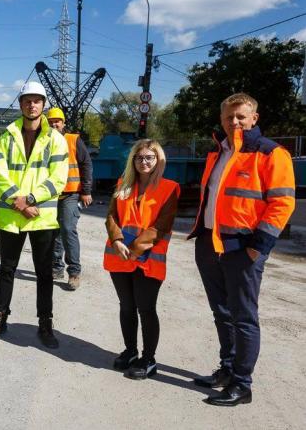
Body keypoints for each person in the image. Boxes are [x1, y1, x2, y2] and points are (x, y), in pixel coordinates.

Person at [188, 93, 295, 406]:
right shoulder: (217, 152)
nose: (234, 122)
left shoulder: (271, 153)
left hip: (242, 248)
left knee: (244, 317)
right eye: (228, 117)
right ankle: (227, 369)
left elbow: (282, 203)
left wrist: (258, 248)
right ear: (221, 120)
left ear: (254, 118)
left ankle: (242, 384)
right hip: (210, 243)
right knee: (221, 312)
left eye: (240, 116)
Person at [0, 81, 69, 348]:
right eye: (27, 100)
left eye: (37, 101)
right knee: (6, 270)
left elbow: (58, 178)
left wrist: (30, 199)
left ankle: (45, 323)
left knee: (44, 273)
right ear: (21, 104)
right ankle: (0, 318)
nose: (32, 105)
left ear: (43, 105)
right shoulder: (7, 137)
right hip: (13, 216)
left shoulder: (56, 139)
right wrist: (19, 203)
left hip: (40, 217)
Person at [103, 139, 179, 380]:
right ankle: (130, 351)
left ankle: (148, 358)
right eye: (139, 157)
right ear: (132, 160)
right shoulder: (123, 185)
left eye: (149, 157)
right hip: (120, 256)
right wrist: (116, 240)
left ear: (158, 160)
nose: (143, 162)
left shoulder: (169, 188)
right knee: (126, 307)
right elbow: (112, 216)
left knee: (146, 308)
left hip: (147, 259)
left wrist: (136, 249)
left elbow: (162, 225)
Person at [46, 107, 93, 290]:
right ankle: (56, 268)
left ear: (63, 122)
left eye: (57, 121)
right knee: (54, 232)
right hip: (51, 195)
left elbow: (86, 164)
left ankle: (74, 272)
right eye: (50, 122)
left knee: (67, 229)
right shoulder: (44, 141)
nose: (54, 125)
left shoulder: (73, 139)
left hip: (70, 194)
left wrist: (86, 191)